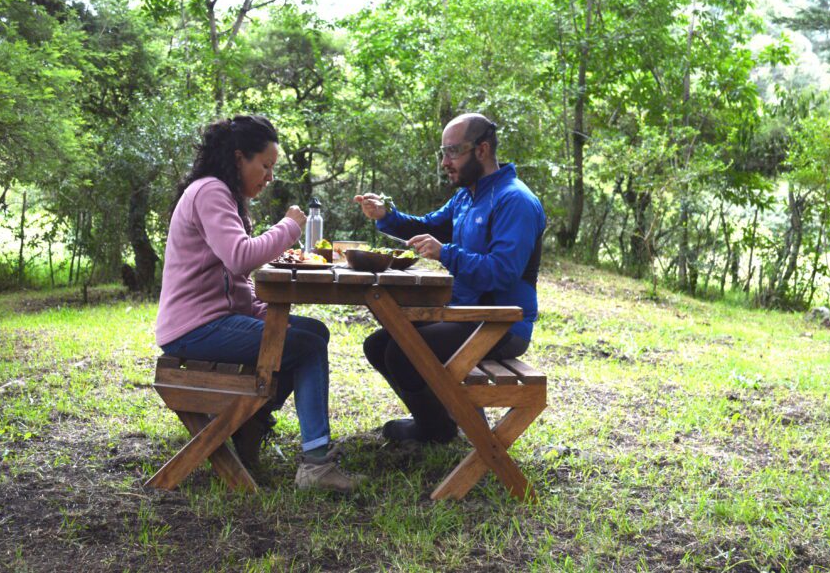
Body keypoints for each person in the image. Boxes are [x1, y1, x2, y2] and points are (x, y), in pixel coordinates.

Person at [156, 115, 361, 492]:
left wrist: (263, 312)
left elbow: (231, 283)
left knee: (310, 332)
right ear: (238, 158)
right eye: (264, 166)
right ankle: (315, 464)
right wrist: (290, 227)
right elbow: (240, 257)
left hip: (215, 320)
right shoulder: (210, 192)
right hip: (195, 330)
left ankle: (252, 424)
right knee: (309, 343)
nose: (268, 177)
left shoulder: (224, 196)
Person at [355, 113, 546, 443]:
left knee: (401, 353)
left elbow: (501, 273)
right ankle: (437, 426)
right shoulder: (466, 197)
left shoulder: (515, 201)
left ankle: (437, 430)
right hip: (467, 316)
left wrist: (447, 253)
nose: (445, 161)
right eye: (442, 153)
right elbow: (427, 226)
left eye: (452, 152)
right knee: (379, 344)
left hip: (500, 325)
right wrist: (387, 215)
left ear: (481, 150)